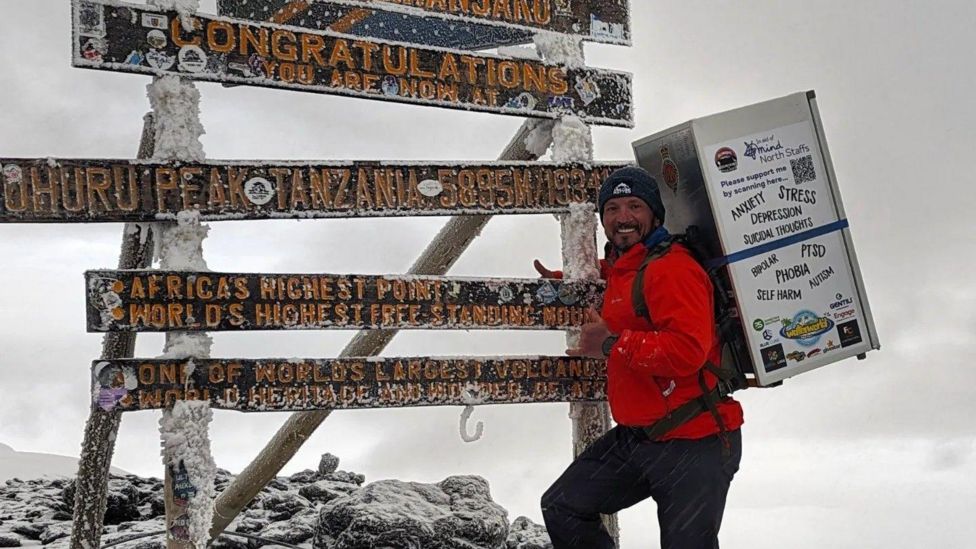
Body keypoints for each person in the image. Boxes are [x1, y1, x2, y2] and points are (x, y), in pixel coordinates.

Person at [537, 166, 744, 549]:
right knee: (563, 505)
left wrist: (611, 343)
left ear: (654, 215)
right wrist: (570, 282)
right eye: (612, 208)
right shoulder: (624, 265)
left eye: (634, 205)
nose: (623, 217)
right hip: (642, 439)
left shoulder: (673, 269)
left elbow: (687, 352)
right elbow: (617, 279)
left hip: (696, 440)